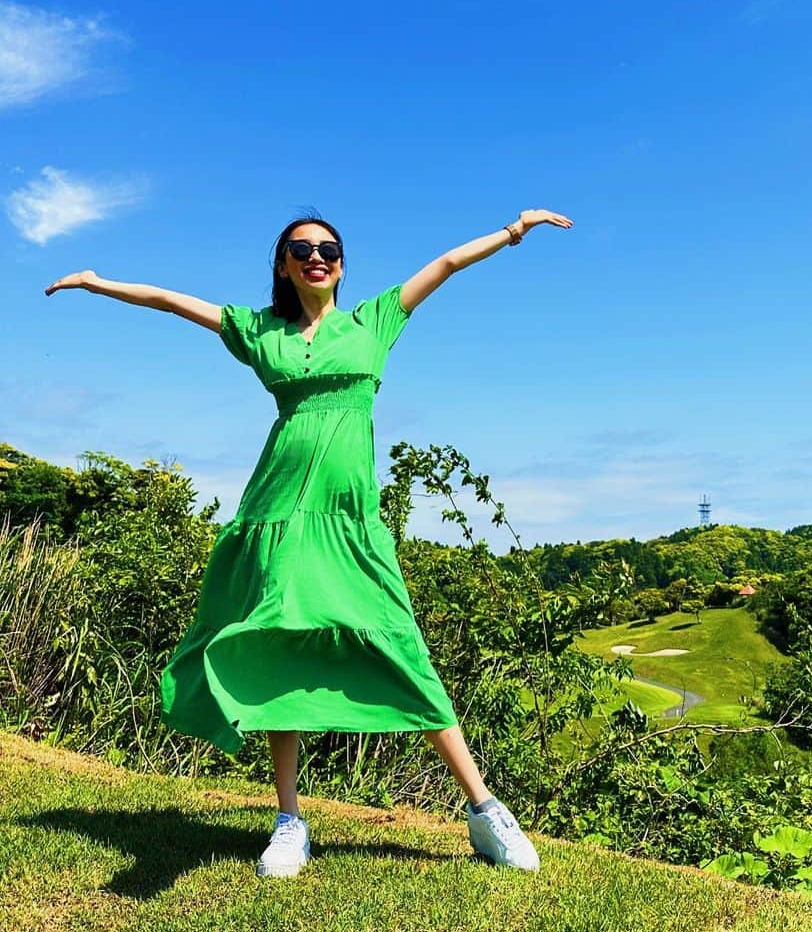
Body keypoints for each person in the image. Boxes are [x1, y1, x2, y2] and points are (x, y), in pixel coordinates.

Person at [44, 205, 573, 877]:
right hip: (277, 511)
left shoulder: (373, 321)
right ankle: (290, 820)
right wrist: (97, 282)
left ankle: (485, 811)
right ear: (284, 264)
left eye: (328, 247)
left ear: (341, 265)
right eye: (301, 248)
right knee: (275, 643)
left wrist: (512, 232)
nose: (316, 255)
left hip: (349, 518)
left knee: (397, 641)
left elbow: (444, 264)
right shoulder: (260, 330)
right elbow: (172, 302)